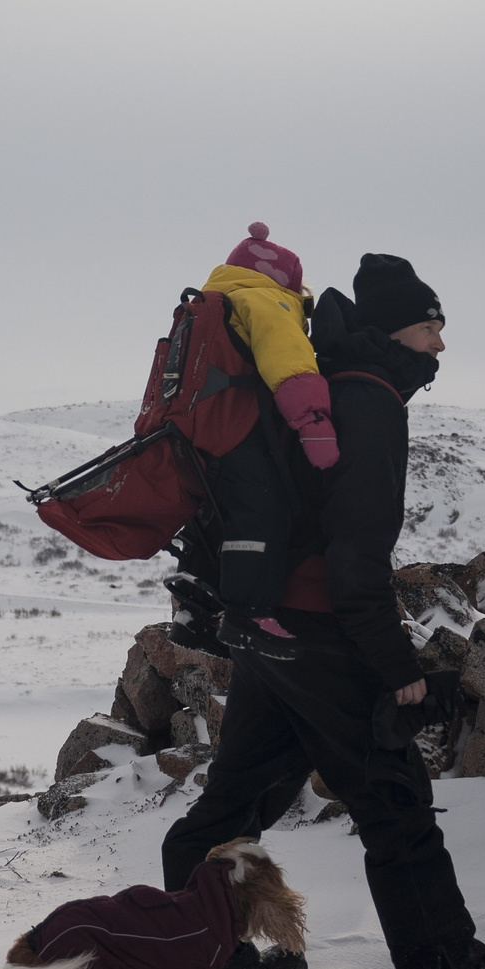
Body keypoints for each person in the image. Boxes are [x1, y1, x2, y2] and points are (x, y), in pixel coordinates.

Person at [162, 250, 485, 969]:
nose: (440, 344)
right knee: (394, 805)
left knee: (232, 804)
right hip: (318, 633)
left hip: (263, 629)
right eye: (433, 328)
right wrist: (396, 667)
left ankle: (202, 956)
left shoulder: (317, 384)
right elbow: (356, 560)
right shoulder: (369, 402)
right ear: (399, 330)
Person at [176, 222, 338, 658]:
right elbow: (291, 366)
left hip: (194, 434)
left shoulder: (208, 303)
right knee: (264, 508)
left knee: (215, 511)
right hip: (237, 430)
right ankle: (250, 614)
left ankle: (196, 608)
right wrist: (316, 427)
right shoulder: (266, 300)